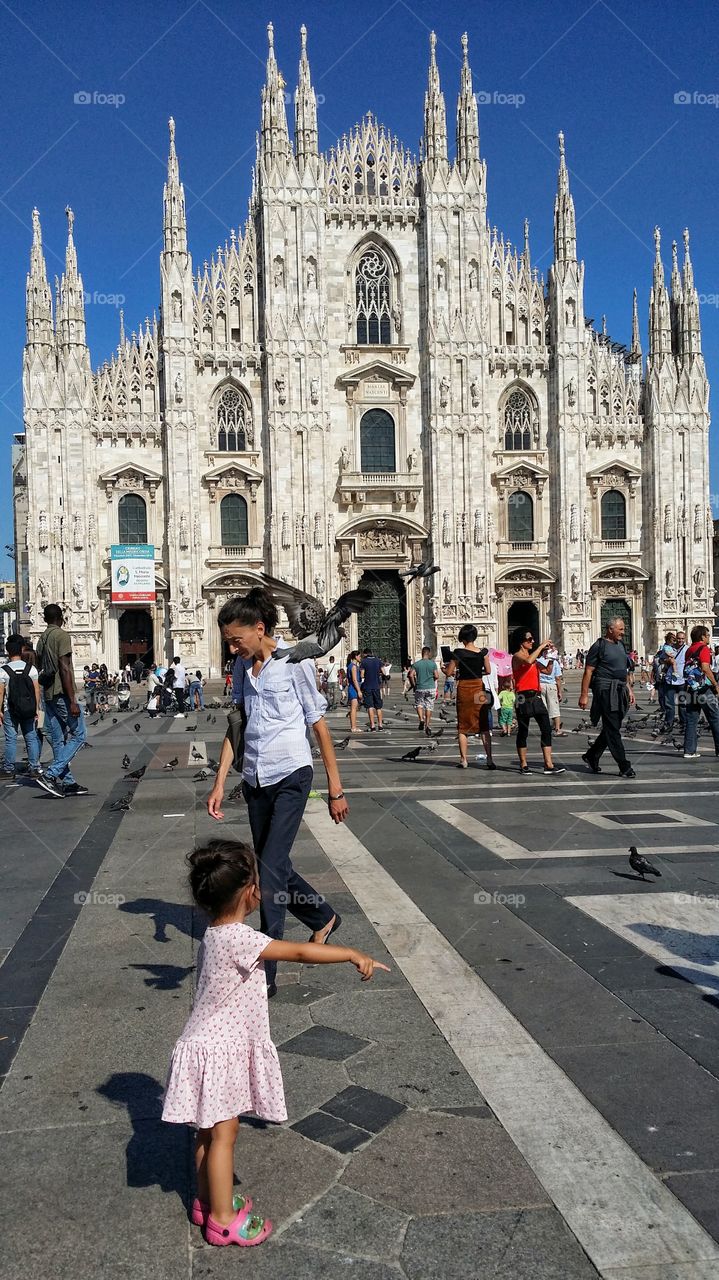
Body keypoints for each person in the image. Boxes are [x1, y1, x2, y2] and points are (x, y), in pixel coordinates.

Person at [162, 839, 388, 1247]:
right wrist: (351, 953)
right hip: (219, 1052)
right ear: (250, 891)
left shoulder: (213, 934)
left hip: (203, 1046)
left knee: (207, 1133)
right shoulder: (241, 938)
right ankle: (224, 1220)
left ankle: (205, 1200)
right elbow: (300, 951)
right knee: (224, 1137)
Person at [207, 588, 349, 998]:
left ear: (260, 628)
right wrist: (219, 782)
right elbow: (237, 727)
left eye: (237, 639)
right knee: (274, 864)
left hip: (291, 773)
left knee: (267, 872)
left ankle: (266, 969)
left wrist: (335, 789)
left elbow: (318, 726)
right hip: (255, 776)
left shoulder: (295, 662)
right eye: (228, 642)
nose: (233, 648)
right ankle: (322, 916)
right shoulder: (241, 668)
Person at [34, 603, 88, 797]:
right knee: (80, 734)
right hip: (61, 694)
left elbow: (40, 666)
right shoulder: (61, 635)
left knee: (58, 740)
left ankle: (68, 782)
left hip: (48, 694)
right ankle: (51, 775)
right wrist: (72, 699)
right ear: (61, 617)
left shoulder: (42, 638)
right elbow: (64, 667)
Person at [579, 615, 636, 778]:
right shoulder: (599, 645)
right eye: (620, 629)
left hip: (619, 689)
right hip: (605, 690)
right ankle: (624, 766)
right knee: (612, 728)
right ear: (610, 629)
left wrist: (629, 689)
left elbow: (622, 670)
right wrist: (584, 695)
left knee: (613, 726)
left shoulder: (620, 645)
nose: (623, 632)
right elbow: (588, 670)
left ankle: (592, 755)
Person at [510, 628, 565, 776]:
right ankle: (523, 764)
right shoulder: (517, 656)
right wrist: (541, 647)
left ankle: (548, 764)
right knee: (523, 731)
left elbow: (547, 671)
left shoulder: (533, 658)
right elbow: (527, 661)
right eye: (529, 639)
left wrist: (550, 656)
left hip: (536, 696)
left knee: (546, 729)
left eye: (533, 639)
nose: (532, 641)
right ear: (522, 641)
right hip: (522, 697)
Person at [444, 624, 495, 770]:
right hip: (478, 688)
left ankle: (464, 760)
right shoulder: (483, 653)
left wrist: (446, 669)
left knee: (463, 727)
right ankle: (490, 760)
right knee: (484, 724)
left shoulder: (458, 653)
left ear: (462, 638)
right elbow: (488, 671)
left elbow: (449, 673)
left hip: (465, 689)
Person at [0, 633, 42, 779]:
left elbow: (0, 693)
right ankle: (34, 767)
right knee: (30, 737)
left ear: (8, 651)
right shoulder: (31, 669)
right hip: (29, 708)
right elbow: (37, 690)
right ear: (21, 650)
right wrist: (36, 708)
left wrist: (0, 711)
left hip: (10, 710)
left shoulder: (3, 671)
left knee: (11, 738)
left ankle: (9, 768)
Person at [682, 625, 719, 759]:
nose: (709, 637)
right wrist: (715, 684)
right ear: (702, 637)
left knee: (691, 720)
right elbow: (705, 668)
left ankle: (689, 751)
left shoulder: (689, 650)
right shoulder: (704, 649)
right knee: (715, 717)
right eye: (708, 635)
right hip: (703, 689)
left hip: (691, 689)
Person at [537, 645, 567, 737]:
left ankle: (545, 729)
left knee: (543, 709)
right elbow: (558, 678)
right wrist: (560, 691)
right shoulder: (555, 662)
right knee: (554, 709)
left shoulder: (538, 661)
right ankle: (557, 729)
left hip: (540, 686)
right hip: (551, 686)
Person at [410, 646, 439, 735]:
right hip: (430, 687)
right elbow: (437, 676)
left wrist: (413, 685)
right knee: (429, 706)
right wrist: (432, 680)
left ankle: (421, 719)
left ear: (422, 653)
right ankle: (427, 725)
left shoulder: (416, 664)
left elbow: (411, 675)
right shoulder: (433, 664)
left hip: (420, 687)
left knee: (419, 704)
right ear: (429, 653)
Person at [664, 629, 687, 733]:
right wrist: (667, 660)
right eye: (678, 638)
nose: (680, 640)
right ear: (675, 639)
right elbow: (660, 659)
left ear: (685, 639)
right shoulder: (669, 648)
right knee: (669, 704)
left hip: (682, 680)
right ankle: (669, 725)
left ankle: (683, 725)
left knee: (683, 704)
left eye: (682, 638)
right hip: (670, 680)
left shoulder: (687, 649)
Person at [360, 648, 384, 731]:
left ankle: (373, 725)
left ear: (365, 654)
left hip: (367, 686)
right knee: (378, 707)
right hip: (376, 686)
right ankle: (380, 725)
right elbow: (383, 671)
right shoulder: (378, 660)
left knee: (370, 706)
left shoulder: (363, 662)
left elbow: (362, 675)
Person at [346, 650, 362, 732]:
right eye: (359, 656)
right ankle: (353, 727)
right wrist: (359, 690)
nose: (360, 658)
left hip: (352, 687)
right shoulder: (353, 667)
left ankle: (354, 726)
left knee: (354, 708)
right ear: (356, 657)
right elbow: (355, 680)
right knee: (353, 708)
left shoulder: (350, 666)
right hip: (354, 688)